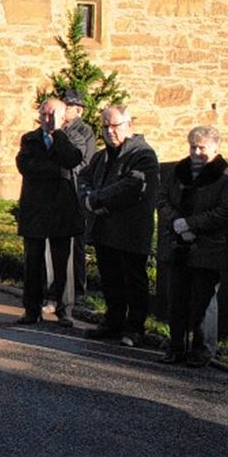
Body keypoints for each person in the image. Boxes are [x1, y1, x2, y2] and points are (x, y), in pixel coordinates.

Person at [79, 105, 160, 346]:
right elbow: (84, 178)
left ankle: (135, 328)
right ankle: (113, 321)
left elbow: (130, 186)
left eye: (115, 126)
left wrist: (97, 198)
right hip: (104, 227)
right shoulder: (101, 156)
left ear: (129, 125)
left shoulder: (143, 154)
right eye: (105, 126)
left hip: (130, 228)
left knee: (133, 278)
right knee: (110, 277)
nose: (109, 131)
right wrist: (88, 199)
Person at [158, 126, 228, 366]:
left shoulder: (224, 177)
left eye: (202, 148)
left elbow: (224, 210)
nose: (196, 152)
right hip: (179, 246)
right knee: (177, 299)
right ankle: (176, 346)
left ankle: (203, 350)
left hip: (207, 247)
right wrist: (177, 223)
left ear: (215, 149)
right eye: (193, 147)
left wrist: (191, 225)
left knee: (204, 301)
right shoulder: (179, 172)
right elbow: (162, 199)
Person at [14, 98, 84, 326]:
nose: (47, 119)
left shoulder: (72, 137)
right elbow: (25, 166)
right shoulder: (30, 138)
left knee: (62, 262)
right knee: (33, 262)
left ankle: (64, 309)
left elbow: (72, 159)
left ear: (64, 116)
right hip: (35, 207)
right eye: (44, 114)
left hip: (61, 208)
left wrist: (57, 134)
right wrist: (56, 170)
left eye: (52, 115)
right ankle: (31, 309)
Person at [60, 89, 96, 296]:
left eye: (68, 106)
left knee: (76, 243)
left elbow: (86, 162)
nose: (64, 110)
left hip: (74, 190)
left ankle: (78, 288)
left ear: (78, 110)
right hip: (58, 193)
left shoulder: (85, 132)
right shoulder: (58, 129)